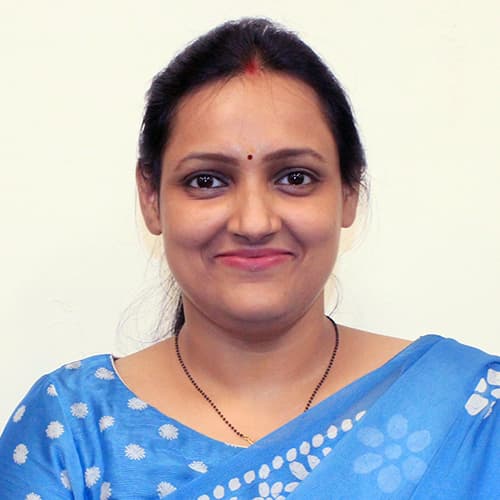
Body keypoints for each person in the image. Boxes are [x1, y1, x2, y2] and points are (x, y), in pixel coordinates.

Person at [0, 17, 498, 499]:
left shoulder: (473, 415)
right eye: (207, 180)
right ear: (151, 198)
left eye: (295, 177)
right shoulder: (72, 430)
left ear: (349, 193)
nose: (254, 222)